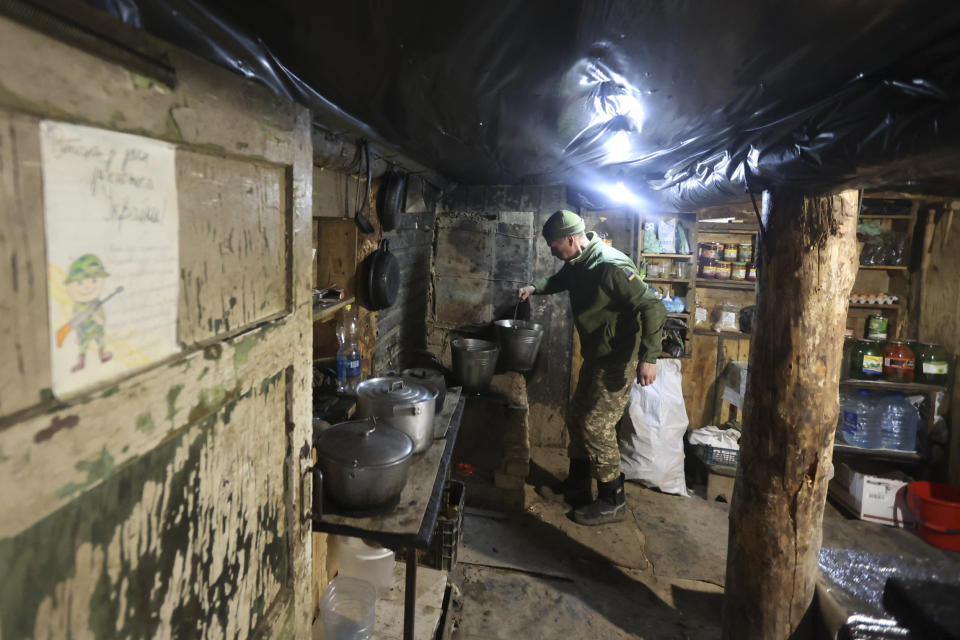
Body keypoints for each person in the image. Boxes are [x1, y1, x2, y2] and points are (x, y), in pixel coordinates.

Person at [518, 210, 666, 525]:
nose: (553, 251)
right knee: (577, 416)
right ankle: (577, 486)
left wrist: (649, 357)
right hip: (598, 355)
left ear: (571, 239)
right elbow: (560, 279)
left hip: (619, 358)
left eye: (555, 246)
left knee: (596, 425)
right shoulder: (578, 263)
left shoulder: (610, 266)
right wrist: (535, 287)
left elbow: (652, 305)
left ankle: (613, 498)